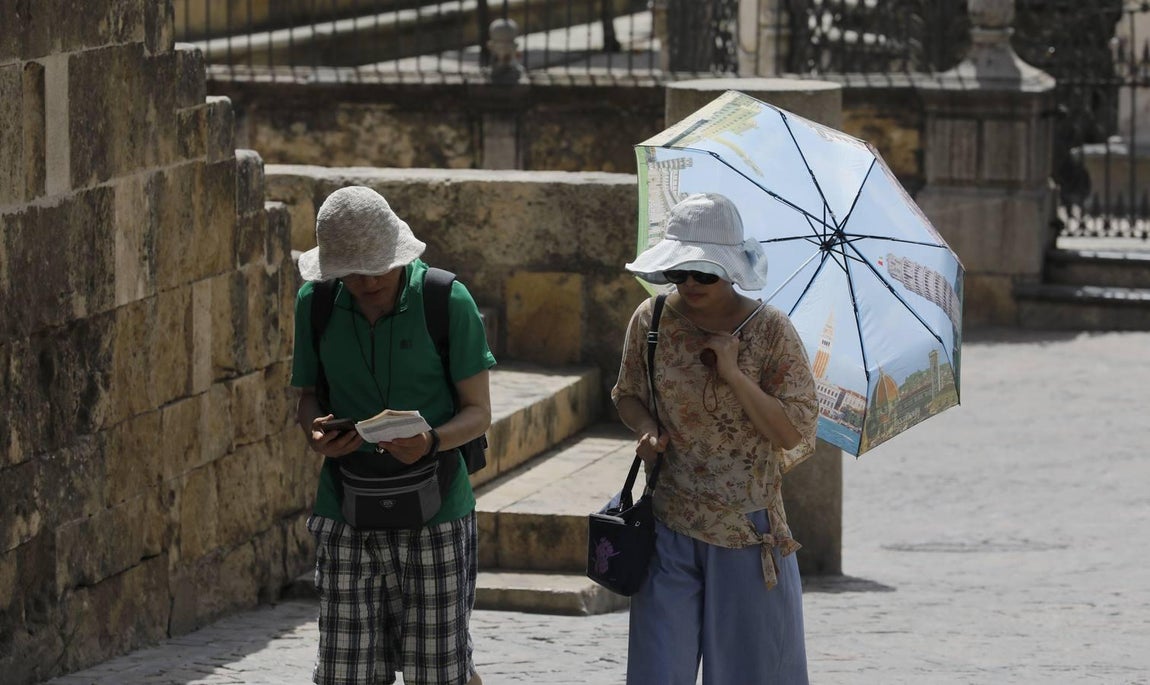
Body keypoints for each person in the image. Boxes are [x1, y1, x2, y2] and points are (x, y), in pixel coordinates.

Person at [611, 193, 819, 684]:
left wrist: (734, 373)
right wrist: (647, 429)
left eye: (703, 273)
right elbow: (627, 394)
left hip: (746, 531)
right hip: (667, 525)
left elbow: (791, 432)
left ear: (730, 269)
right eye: (678, 271)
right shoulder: (651, 319)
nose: (688, 284)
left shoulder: (772, 331)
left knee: (750, 674)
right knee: (657, 673)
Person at [290, 185, 494, 685]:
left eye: (376, 268)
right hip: (345, 506)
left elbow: (478, 412)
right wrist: (316, 433)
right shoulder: (315, 304)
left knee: (438, 670)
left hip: (437, 510)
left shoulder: (446, 300)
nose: (366, 282)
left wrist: (431, 442)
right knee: (345, 672)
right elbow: (308, 398)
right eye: (351, 272)